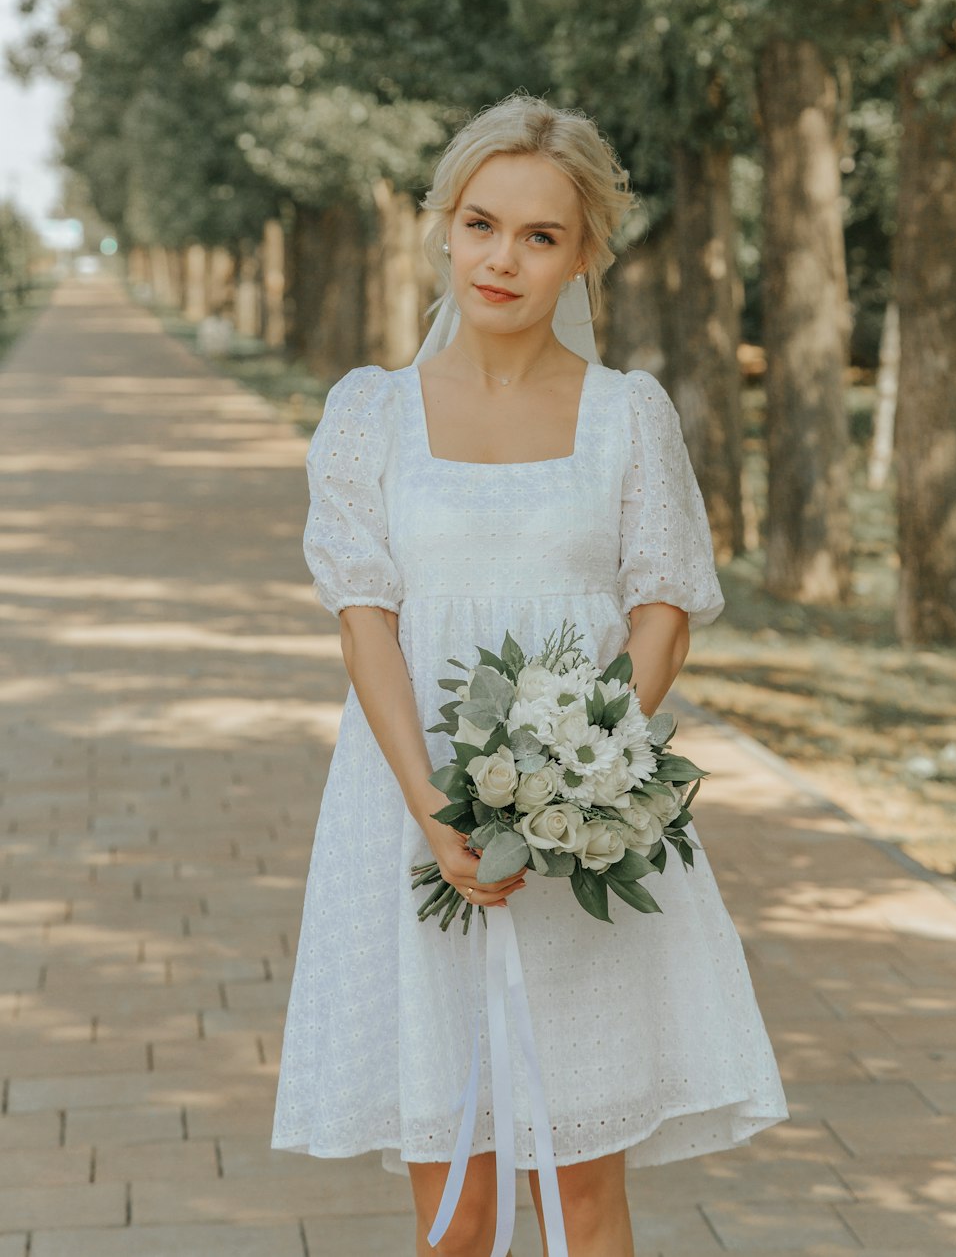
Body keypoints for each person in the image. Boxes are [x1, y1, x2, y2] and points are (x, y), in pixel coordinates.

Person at [271, 93, 788, 1257]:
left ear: (583, 253)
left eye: (540, 235)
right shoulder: (370, 416)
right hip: (410, 820)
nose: (501, 258)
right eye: (479, 223)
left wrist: (569, 785)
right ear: (443, 227)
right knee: (453, 1208)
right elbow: (366, 623)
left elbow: (662, 608)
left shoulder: (625, 417)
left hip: (580, 829)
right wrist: (436, 811)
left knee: (582, 1193)